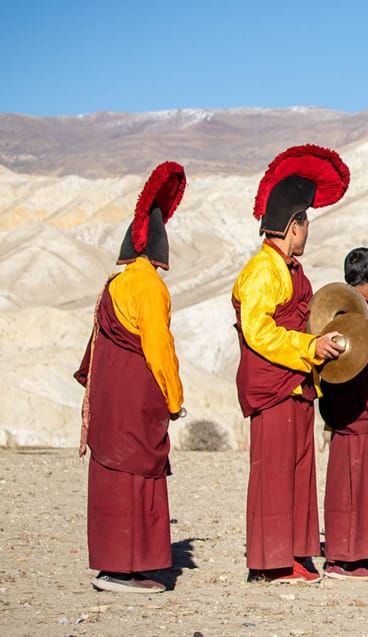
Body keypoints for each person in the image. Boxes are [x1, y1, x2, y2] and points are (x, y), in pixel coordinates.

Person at [233, 145, 350, 583]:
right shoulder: (263, 270)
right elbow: (257, 330)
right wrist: (309, 347)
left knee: (300, 472)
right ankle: (269, 562)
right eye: (305, 223)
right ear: (293, 224)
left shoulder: (290, 268)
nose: (307, 232)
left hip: (298, 382)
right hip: (274, 383)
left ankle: (297, 554)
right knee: (275, 474)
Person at [75, 162, 187, 594]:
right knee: (136, 475)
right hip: (137, 402)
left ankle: (113, 566)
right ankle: (127, 569)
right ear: (160, 249)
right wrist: (174, 400)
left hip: (110, 399)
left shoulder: (115, 283)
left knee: (113, 477)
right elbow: (159, 348)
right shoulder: (149, 288)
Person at [318, 247, 368, 579]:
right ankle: (347, 558)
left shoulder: (337, 315)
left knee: (347, 486)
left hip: (342, 415)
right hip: (364, 419)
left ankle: (358, 555)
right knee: (360, 488)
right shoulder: (366, 318)